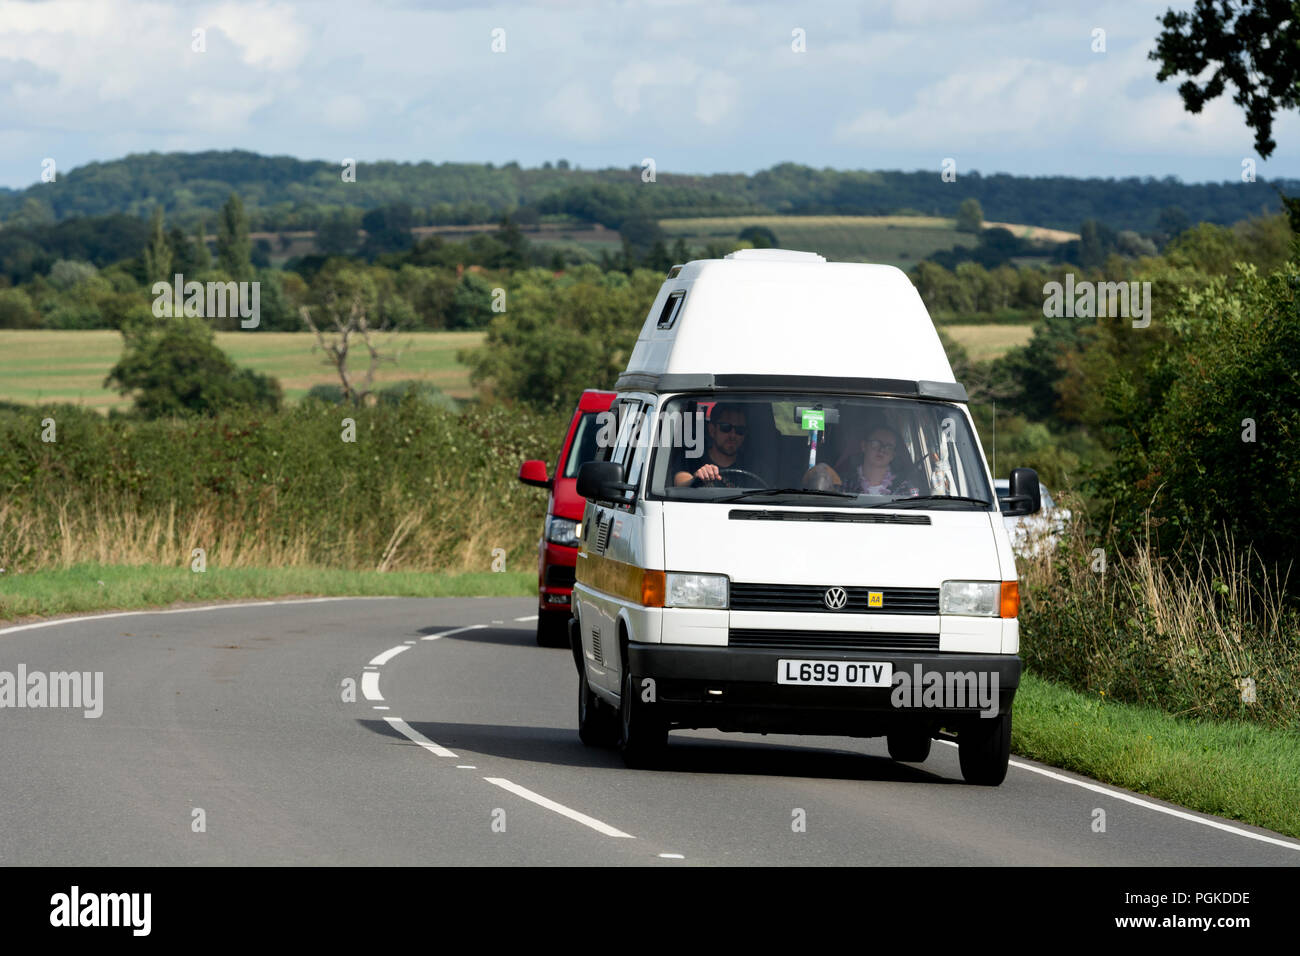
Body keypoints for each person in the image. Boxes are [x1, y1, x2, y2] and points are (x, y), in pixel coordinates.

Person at [673, 402, 751, 486]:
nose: (733, 435)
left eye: (740, 430)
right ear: (712, 430)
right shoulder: (691, 459)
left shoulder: (752, 465)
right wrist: (695, 479)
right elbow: (680, 483)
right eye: (726, 427)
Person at [839, 424, 921, 497]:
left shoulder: (905, 487)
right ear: (864, 446)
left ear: (893, 455)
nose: (882, 450)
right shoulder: (844, 483)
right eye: (876, 443)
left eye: (889, 447)